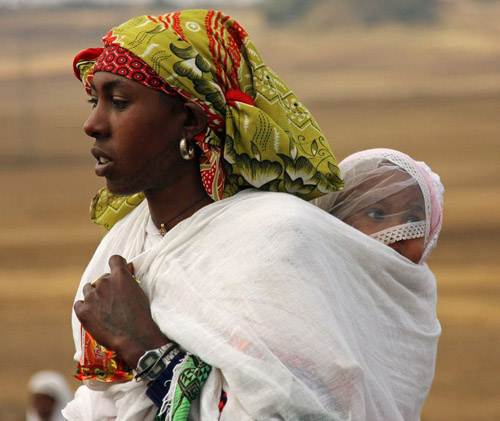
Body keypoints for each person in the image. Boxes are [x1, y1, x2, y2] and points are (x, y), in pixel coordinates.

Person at [63, 10, 440, 421]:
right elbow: (103, 400)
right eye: (93, 100)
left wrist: (145, 348)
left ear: (189, 120)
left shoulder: (276, 240)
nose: (93, 124)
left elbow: (302, 410)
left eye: (118, 102)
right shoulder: (123, 242)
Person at [312, 148, 444, 264]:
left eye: (413, 221)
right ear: (336, 217)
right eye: (376, 214)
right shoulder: (309, 285)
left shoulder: (422, 290)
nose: (396, 234)